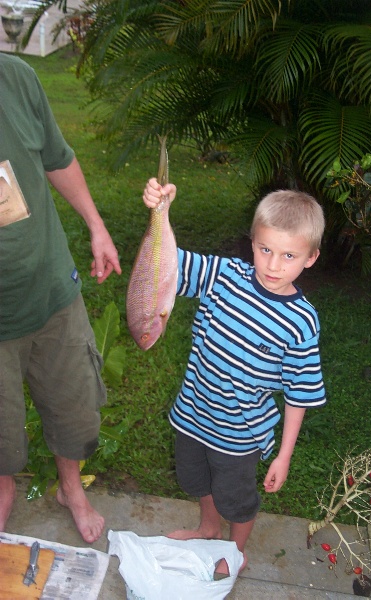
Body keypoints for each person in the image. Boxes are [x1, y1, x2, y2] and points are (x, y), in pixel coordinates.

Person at [142, 177, 326, 575]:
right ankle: (208, 527)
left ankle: (235, 552)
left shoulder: (301, 321)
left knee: (236, 498)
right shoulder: (224, 276)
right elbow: (169, 262)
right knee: (196, 480)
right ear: (253, 243)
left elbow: (300, 394)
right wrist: (161, 210)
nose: (273, 265)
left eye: (289, 256)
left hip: (239, 435)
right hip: (192, 415)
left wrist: (285, 455)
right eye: (265, 249)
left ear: (311, 257)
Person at [0, 53, 121, 543]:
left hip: (51, 291)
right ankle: (3, 489)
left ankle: (71, 488)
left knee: (74, 408)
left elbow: (58, 157)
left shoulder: (16, 78)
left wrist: (97, 226)